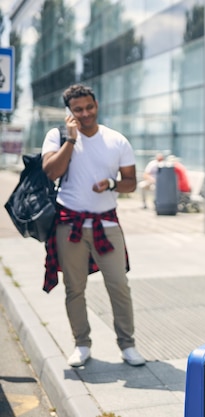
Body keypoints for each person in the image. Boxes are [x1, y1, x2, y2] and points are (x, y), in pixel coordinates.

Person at [41, 84, 146, 368]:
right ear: (69, 112)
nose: (85, 113)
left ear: (96, 104)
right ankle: (81, 344)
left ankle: (127, 344)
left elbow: (131, 182)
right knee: (75, 287)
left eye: (89, 107)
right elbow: (51, 172)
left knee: (119, 285)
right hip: (69, 222)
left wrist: (111, 184)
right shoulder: (58, 136)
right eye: (78, 110)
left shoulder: (117, 140)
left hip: (106, 223)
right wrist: (71, 140)